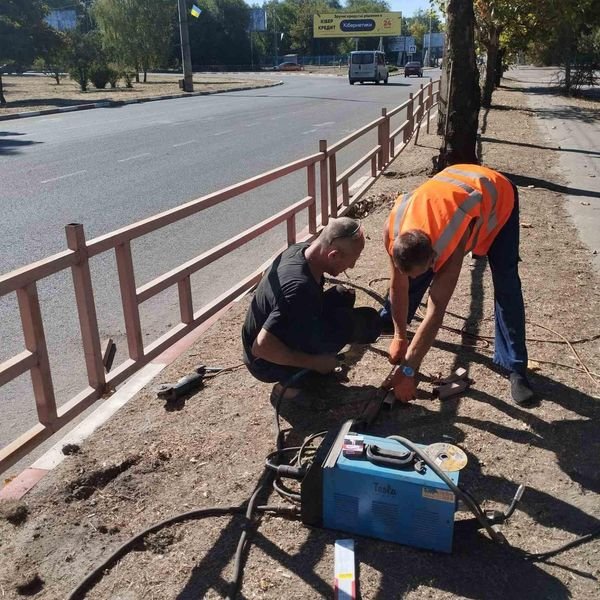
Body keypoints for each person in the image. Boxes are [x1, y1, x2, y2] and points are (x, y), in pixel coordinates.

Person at [381, 164, 534, 405]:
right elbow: (398, 286)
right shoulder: (393, 229)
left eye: (424, 270)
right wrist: (400, 335)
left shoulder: (453, 237)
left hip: (497, 195)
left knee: (506, 282)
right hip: (457, 187)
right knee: (409, 283)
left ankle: (515, 367)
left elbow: (436, 310)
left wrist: (409, 370)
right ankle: (390, 327)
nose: (410, 278)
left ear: (434, 258)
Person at [242, 217, 381, 399]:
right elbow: (261, 347)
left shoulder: (301, 251)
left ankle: (313, 363)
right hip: (264, 362)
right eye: (351, 260)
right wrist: (315, 362)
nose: (353, 266)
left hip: (279, 332)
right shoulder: (299, 289)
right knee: (353, 324)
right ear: (333, 255)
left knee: (342, 295)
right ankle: (289, 387)